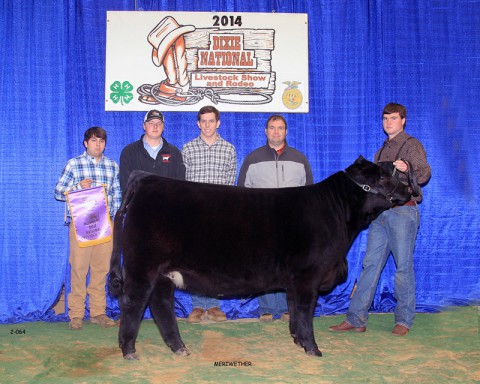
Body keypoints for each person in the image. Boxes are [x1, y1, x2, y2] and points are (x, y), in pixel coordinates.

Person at [329, 102, 431, 336]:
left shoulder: (411, 144)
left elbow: (425, 173)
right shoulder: (381, 151)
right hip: (382, 213)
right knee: (370, 265)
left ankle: (404, 320)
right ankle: (356, 319)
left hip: (404, 212)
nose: (388, 122)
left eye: (393, 118)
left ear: (403, 120)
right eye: (385, 118)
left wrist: (409, 168)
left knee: (403, 267)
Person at [237, 114, 314, 322]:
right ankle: (267, 309)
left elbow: (309, 193)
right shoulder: (252, 158)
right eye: (272, 127)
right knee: (265, 264)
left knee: (291, 265)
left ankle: (290, 309)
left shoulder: (300, 158)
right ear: (266, 131)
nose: (276, 131)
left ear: (286, 132)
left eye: (280, 128)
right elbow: (242, 193)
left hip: (293, 223)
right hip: (262, 223)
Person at [54, 127, 122, 330]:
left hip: (104, 223)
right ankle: (76, 314)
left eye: (101, 141)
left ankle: (98, 311)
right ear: (86, 143)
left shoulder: (111, 166)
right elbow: (58, 191)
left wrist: (113, 219)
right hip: (81, 222)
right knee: (79, 268)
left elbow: (117, 194)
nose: (98, 144)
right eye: (94, 140)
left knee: (102, 269)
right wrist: (77, 187)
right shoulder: (74, 164)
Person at [182, 105, 237, 323]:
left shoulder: (228, 149)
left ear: (218, 123)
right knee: (194, 260)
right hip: (194, 213)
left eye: (211, 121)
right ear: (198, 123)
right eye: (203, 121)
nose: (207, 125)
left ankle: (214, 305)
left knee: (217, 260)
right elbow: (183, 184)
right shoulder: (187, 149)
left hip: (220, 214)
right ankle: (197, 306)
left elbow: (230, 184)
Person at [119, 109, 185, 194]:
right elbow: (125, 185)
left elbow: (180, 184)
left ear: (163, 127)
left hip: (167, 205)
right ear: (144, 126)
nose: (155, 126)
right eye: (151, 123)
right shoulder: (129, 152)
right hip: (139, 205)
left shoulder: (174, 153)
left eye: (159, 123)